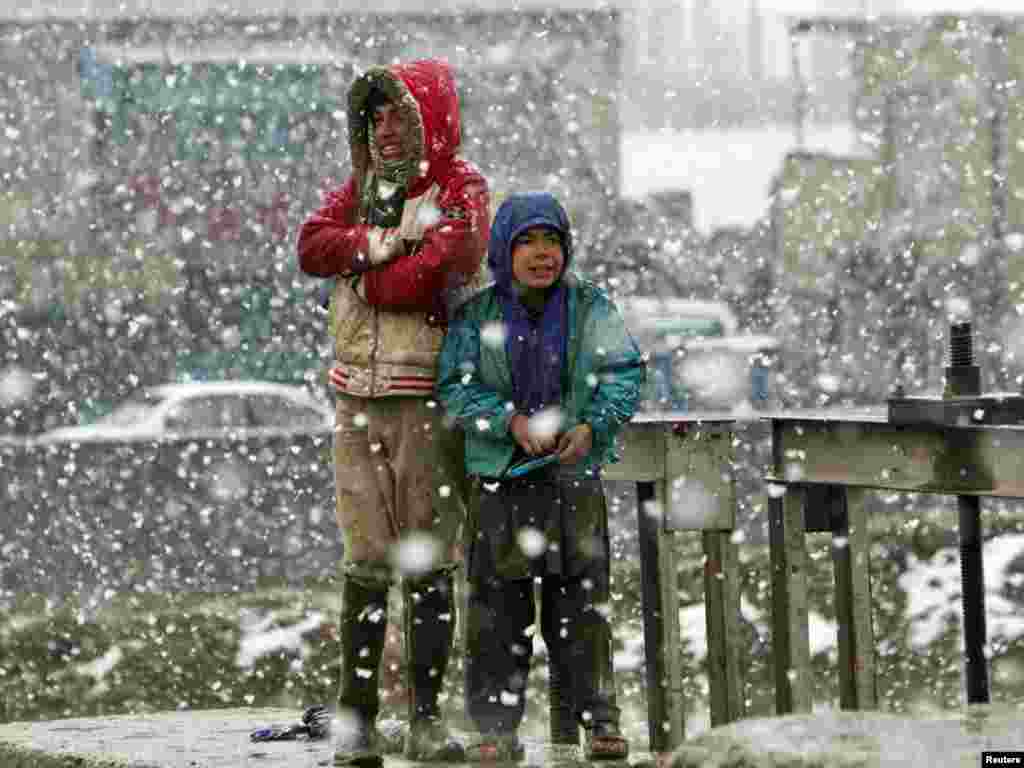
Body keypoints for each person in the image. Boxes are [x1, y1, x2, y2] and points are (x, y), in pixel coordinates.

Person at [296, 59, 490, 768]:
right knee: (366, 561)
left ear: (428, 120)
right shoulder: (359, 193)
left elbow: (449, 258)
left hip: (425, 399)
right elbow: (311, 245)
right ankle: (358, 720)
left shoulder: (460, 187)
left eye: (399, 116)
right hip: (356, 398)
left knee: (430, 561)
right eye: (374, 117)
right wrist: (380, 244)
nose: (385, 130)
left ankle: (427, 718)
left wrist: (370, 276)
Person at [436, 192, 645, 762]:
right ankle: (494, 730)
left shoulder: (590, 307)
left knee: (582, 610)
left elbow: (625, 373)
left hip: (571, 480)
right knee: (496, 613)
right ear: (505, 250)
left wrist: (592, 428)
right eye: (526, 241)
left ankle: (600, 722)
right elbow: (455, 387)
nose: (541, 253)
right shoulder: (477, 317)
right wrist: (510, 421)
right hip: (502, 479)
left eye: (550, 239)